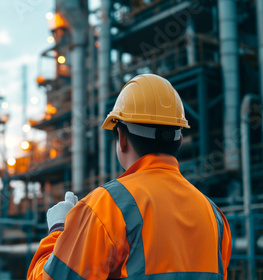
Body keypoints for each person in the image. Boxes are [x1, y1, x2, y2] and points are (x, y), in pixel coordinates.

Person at [27, 74, 232, 280]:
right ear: (178, 142)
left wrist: (58, 231)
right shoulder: (215, 217)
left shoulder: (105, 207)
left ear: (122, 138)